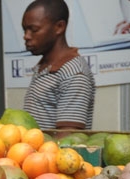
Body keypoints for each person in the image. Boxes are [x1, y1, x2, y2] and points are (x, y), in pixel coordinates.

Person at [21, 0, 95, 131]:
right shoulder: (44, 66)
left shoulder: (74, 73)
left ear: (59, 27)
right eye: (25, 29)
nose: (26, 36)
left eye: (34, 29)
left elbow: (68, 138)